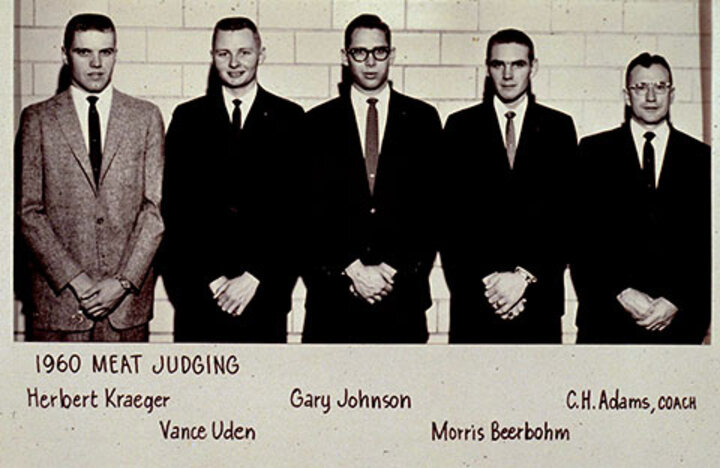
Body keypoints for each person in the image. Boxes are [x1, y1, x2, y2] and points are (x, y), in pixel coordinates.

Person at [16, 13, 164, 342]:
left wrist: (123, 282)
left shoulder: (145, 117)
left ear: (115, 53)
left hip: (126, 309)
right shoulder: (37, 119)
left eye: (106, 52)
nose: (96, 64)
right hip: (60, 305)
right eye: (84, 52)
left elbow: (154, 211)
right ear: (65, 54)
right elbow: (29, 213)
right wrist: (77, 279)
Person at [159, 17, 304, 343]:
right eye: (224, 54)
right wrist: (209, 281)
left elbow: (296, 213)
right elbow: (175, 211)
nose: (234, 63)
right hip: (201, 299)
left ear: (261, 54)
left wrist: (256, 278)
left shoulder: (290, 119)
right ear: (212, 56)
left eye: (244, 52)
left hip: (263, 299)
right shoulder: (187, 118)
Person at [302, 14, 442, 343]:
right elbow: (306, 212)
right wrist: (350, 269)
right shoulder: (317, 123)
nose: (369, 62)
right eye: (359, 52)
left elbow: (433, 210)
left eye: (379, 52)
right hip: (333, 301)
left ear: (392, 56)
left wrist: (391, 271)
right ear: (344, 56)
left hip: (401, 300)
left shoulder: (422, 120)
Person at [441, 29, 577, 343]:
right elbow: (450, 221)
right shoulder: (460, 127)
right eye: (498, 64)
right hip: (476, 304)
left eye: (517, 64)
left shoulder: (559, 128)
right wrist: (492, 286)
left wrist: (524, 279)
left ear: (534, 67)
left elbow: (567, 217)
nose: (507, 74)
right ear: (487, 69)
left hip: (537, 301)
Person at [571, 53, 710, 344]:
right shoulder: (594, 152)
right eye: (640, 87)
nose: (650, 96)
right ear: (626, 95)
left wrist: (676, 300)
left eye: (660, 86)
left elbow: (707, 243)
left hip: (678, 326)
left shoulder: (702, 159)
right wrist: (620, 291)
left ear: (672, 94)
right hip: (607, 321)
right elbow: (580, 237)